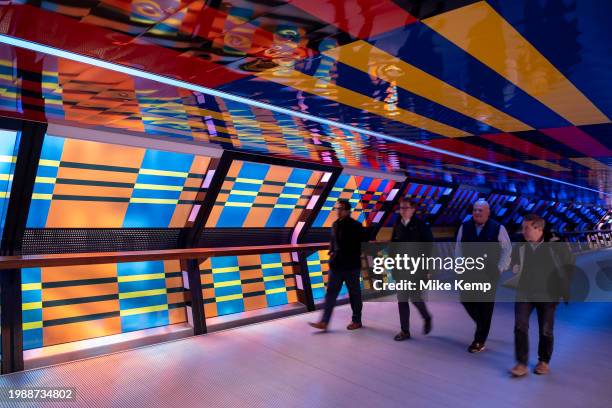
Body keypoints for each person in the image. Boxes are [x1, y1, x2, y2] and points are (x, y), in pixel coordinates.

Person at [509, 214, 574, 377]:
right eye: (523, 227)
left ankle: (543, 361)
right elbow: (515, 262)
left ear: (538, 229)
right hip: (525, 291)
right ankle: (521, 363)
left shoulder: (556, 244)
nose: (523, 231)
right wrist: (515, 267)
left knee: (545, 330)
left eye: (526, 228)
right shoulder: (521, 244)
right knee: (520, 326)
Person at [454, 199, 512, 353]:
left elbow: (507, 249)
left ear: (488, 212)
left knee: (485, 307)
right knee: (465, 300)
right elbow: (459, 248)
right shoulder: (464, 227)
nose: (477, 213)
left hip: (489, 274)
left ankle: (479, 340)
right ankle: (482, 325)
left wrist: (500, 268)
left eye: (480, 210)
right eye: (475, 210)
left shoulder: (498, 228)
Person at [309, 199, 368, 331]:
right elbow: (333, 241)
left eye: (341, 208)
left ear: (347, 211)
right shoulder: (335, 224)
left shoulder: (356, 226)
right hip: (336, 266)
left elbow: (364, 242)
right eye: (337, 208)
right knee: (330, 293)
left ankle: (357, 320)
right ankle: (324, 322)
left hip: (351, 266)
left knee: (354, 294)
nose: (338, 210)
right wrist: (331, 253)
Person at [391, 197, 433, 341]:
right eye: (401, 208)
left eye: (405, 208)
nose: (402, 211)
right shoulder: (398, 225)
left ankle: (427, 317)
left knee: (415, 298)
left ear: (413, 209)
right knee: (402, 299)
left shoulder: (421, 226)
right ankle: (405, 331)